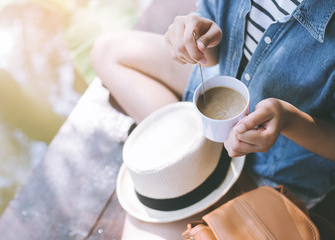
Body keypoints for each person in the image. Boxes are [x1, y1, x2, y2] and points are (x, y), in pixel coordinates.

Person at [92, 0, 335, 238]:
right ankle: (197, 154)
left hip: (276, 160)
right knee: (107, 51)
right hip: (222, 78)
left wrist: (290, 120)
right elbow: (214, 47)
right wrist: (198, 40)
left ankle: (215, 178)